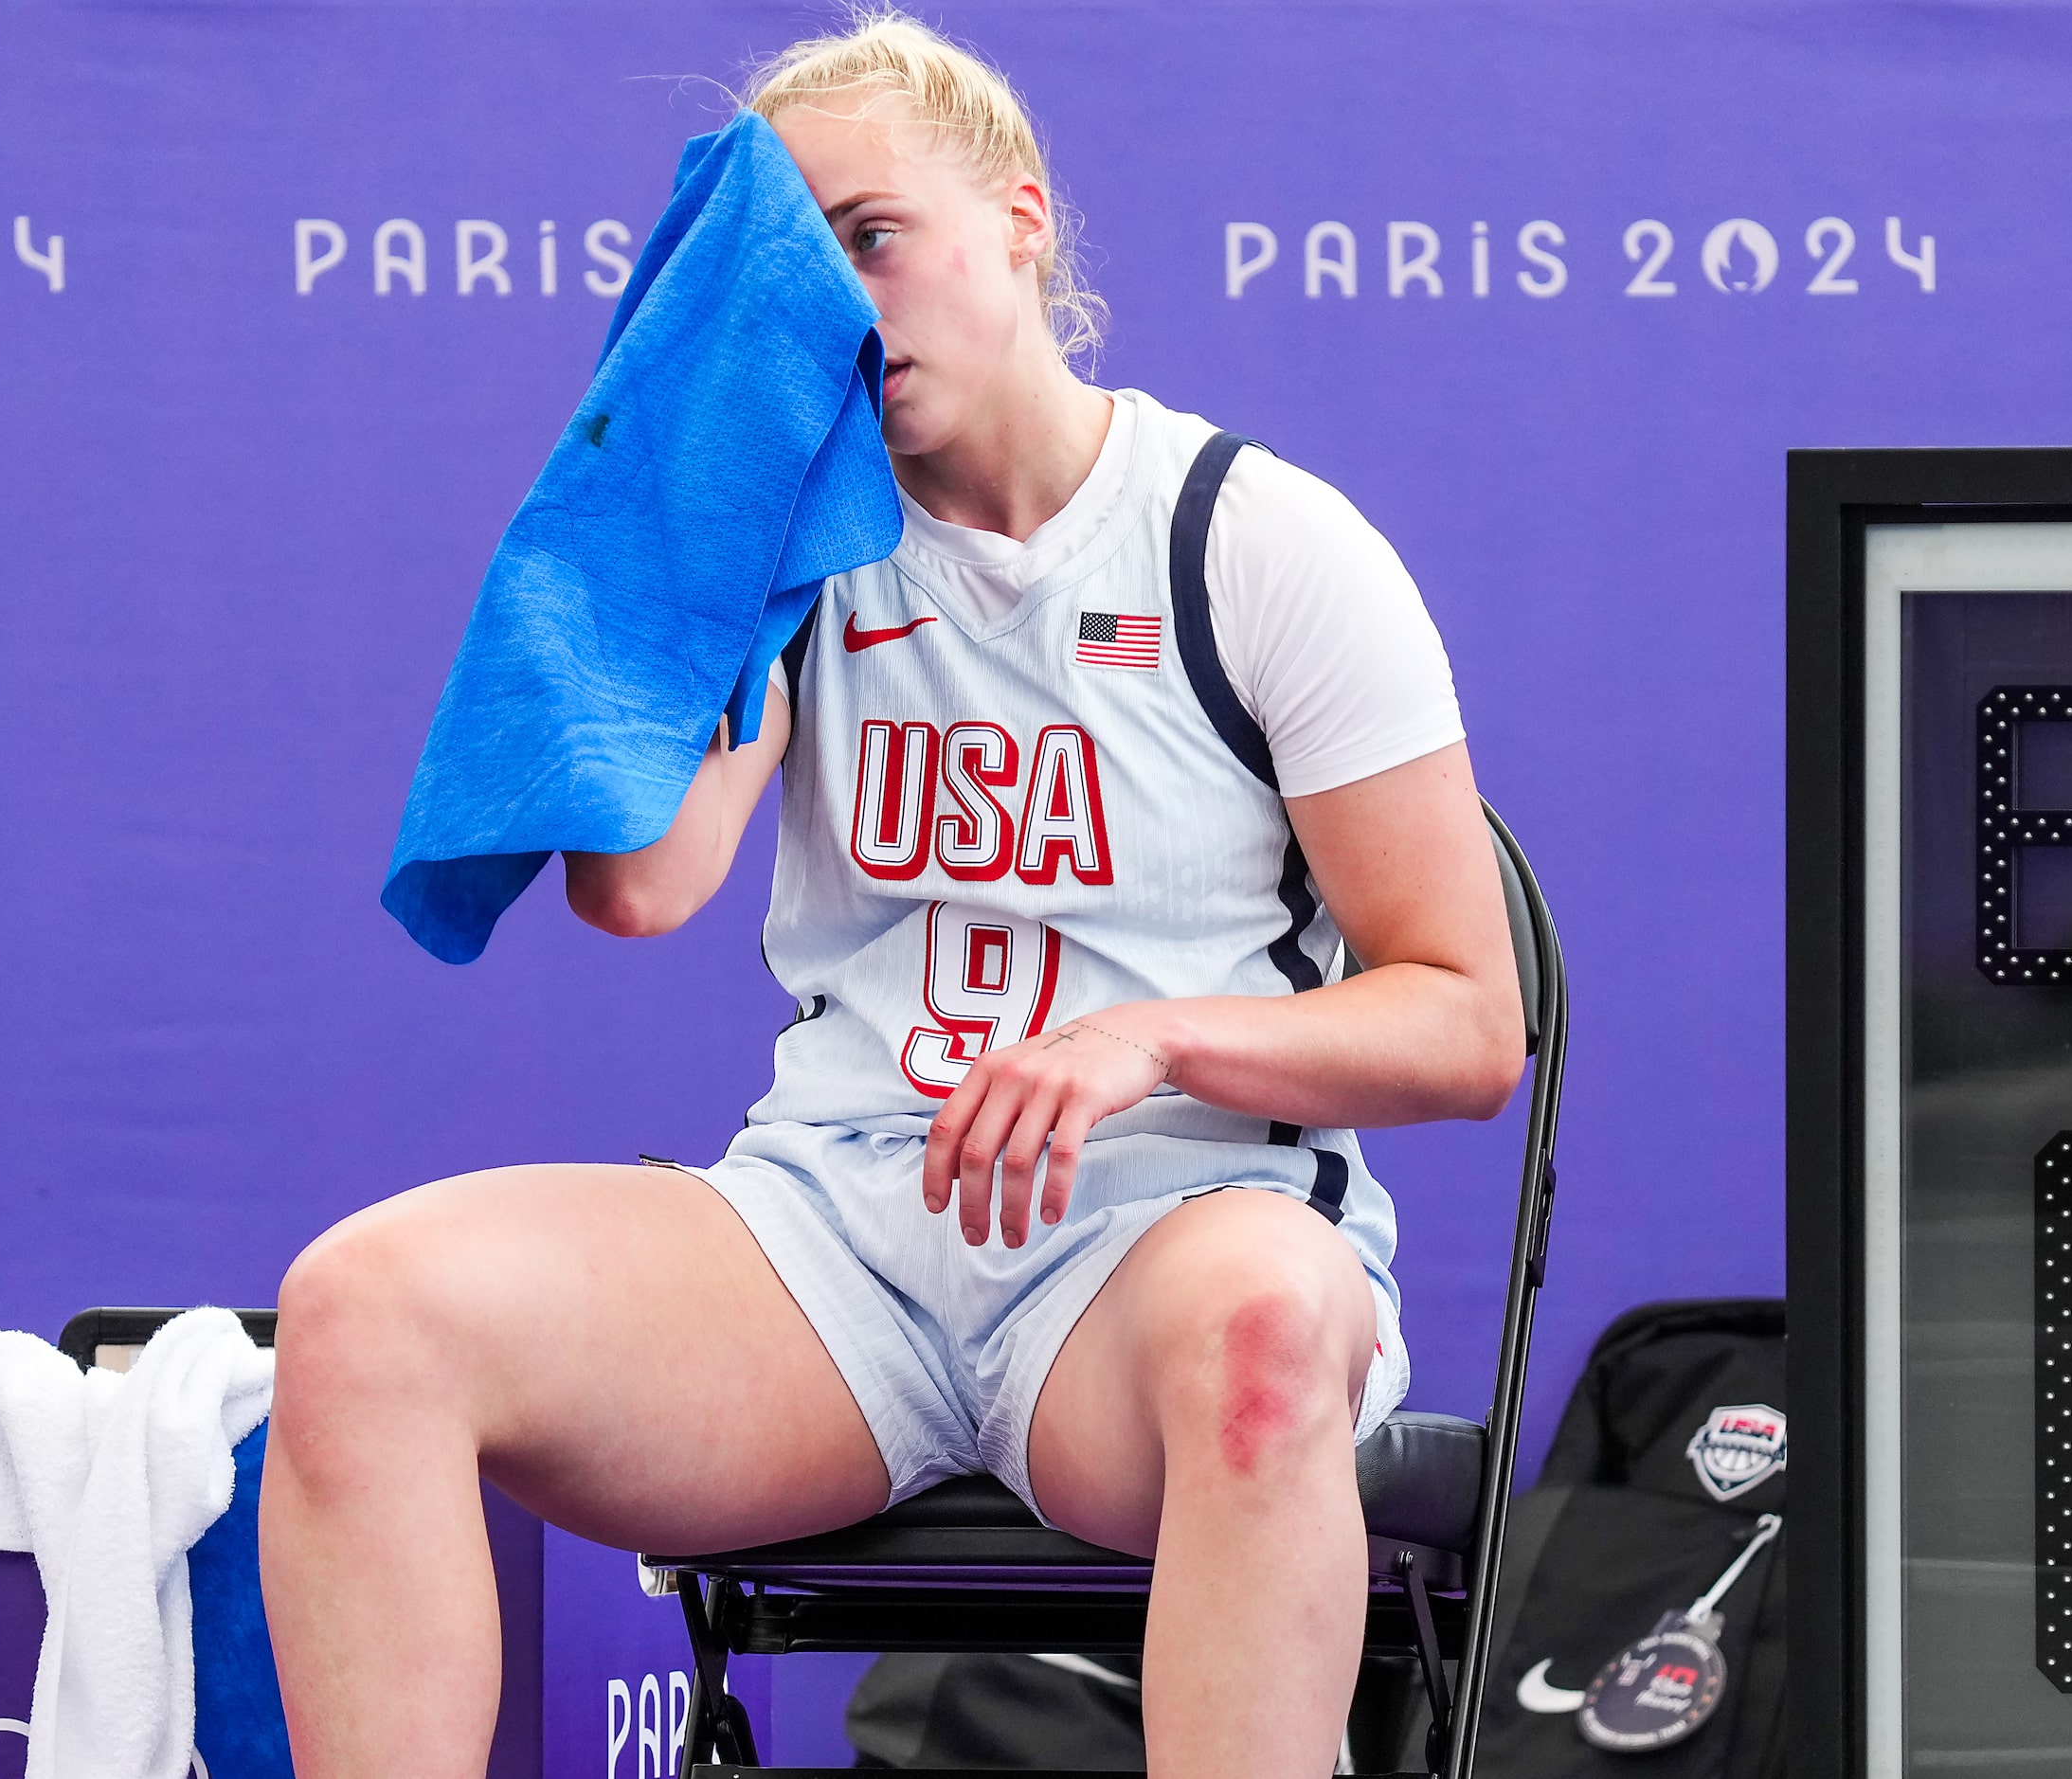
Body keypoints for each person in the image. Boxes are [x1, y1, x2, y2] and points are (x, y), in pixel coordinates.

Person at [257, 14, 1522, 1777]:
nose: (841, 305)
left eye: (871, 237)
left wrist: (1147, 1039)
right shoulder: (792, 537)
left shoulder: (1253, 536)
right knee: (363, 1305)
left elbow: (1465, 1021)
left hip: (1151, 1249)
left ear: (1018, 219)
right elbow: (642, 895)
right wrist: (680, 553)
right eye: (789, 269)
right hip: (839, 1243)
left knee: (1263, 1320)